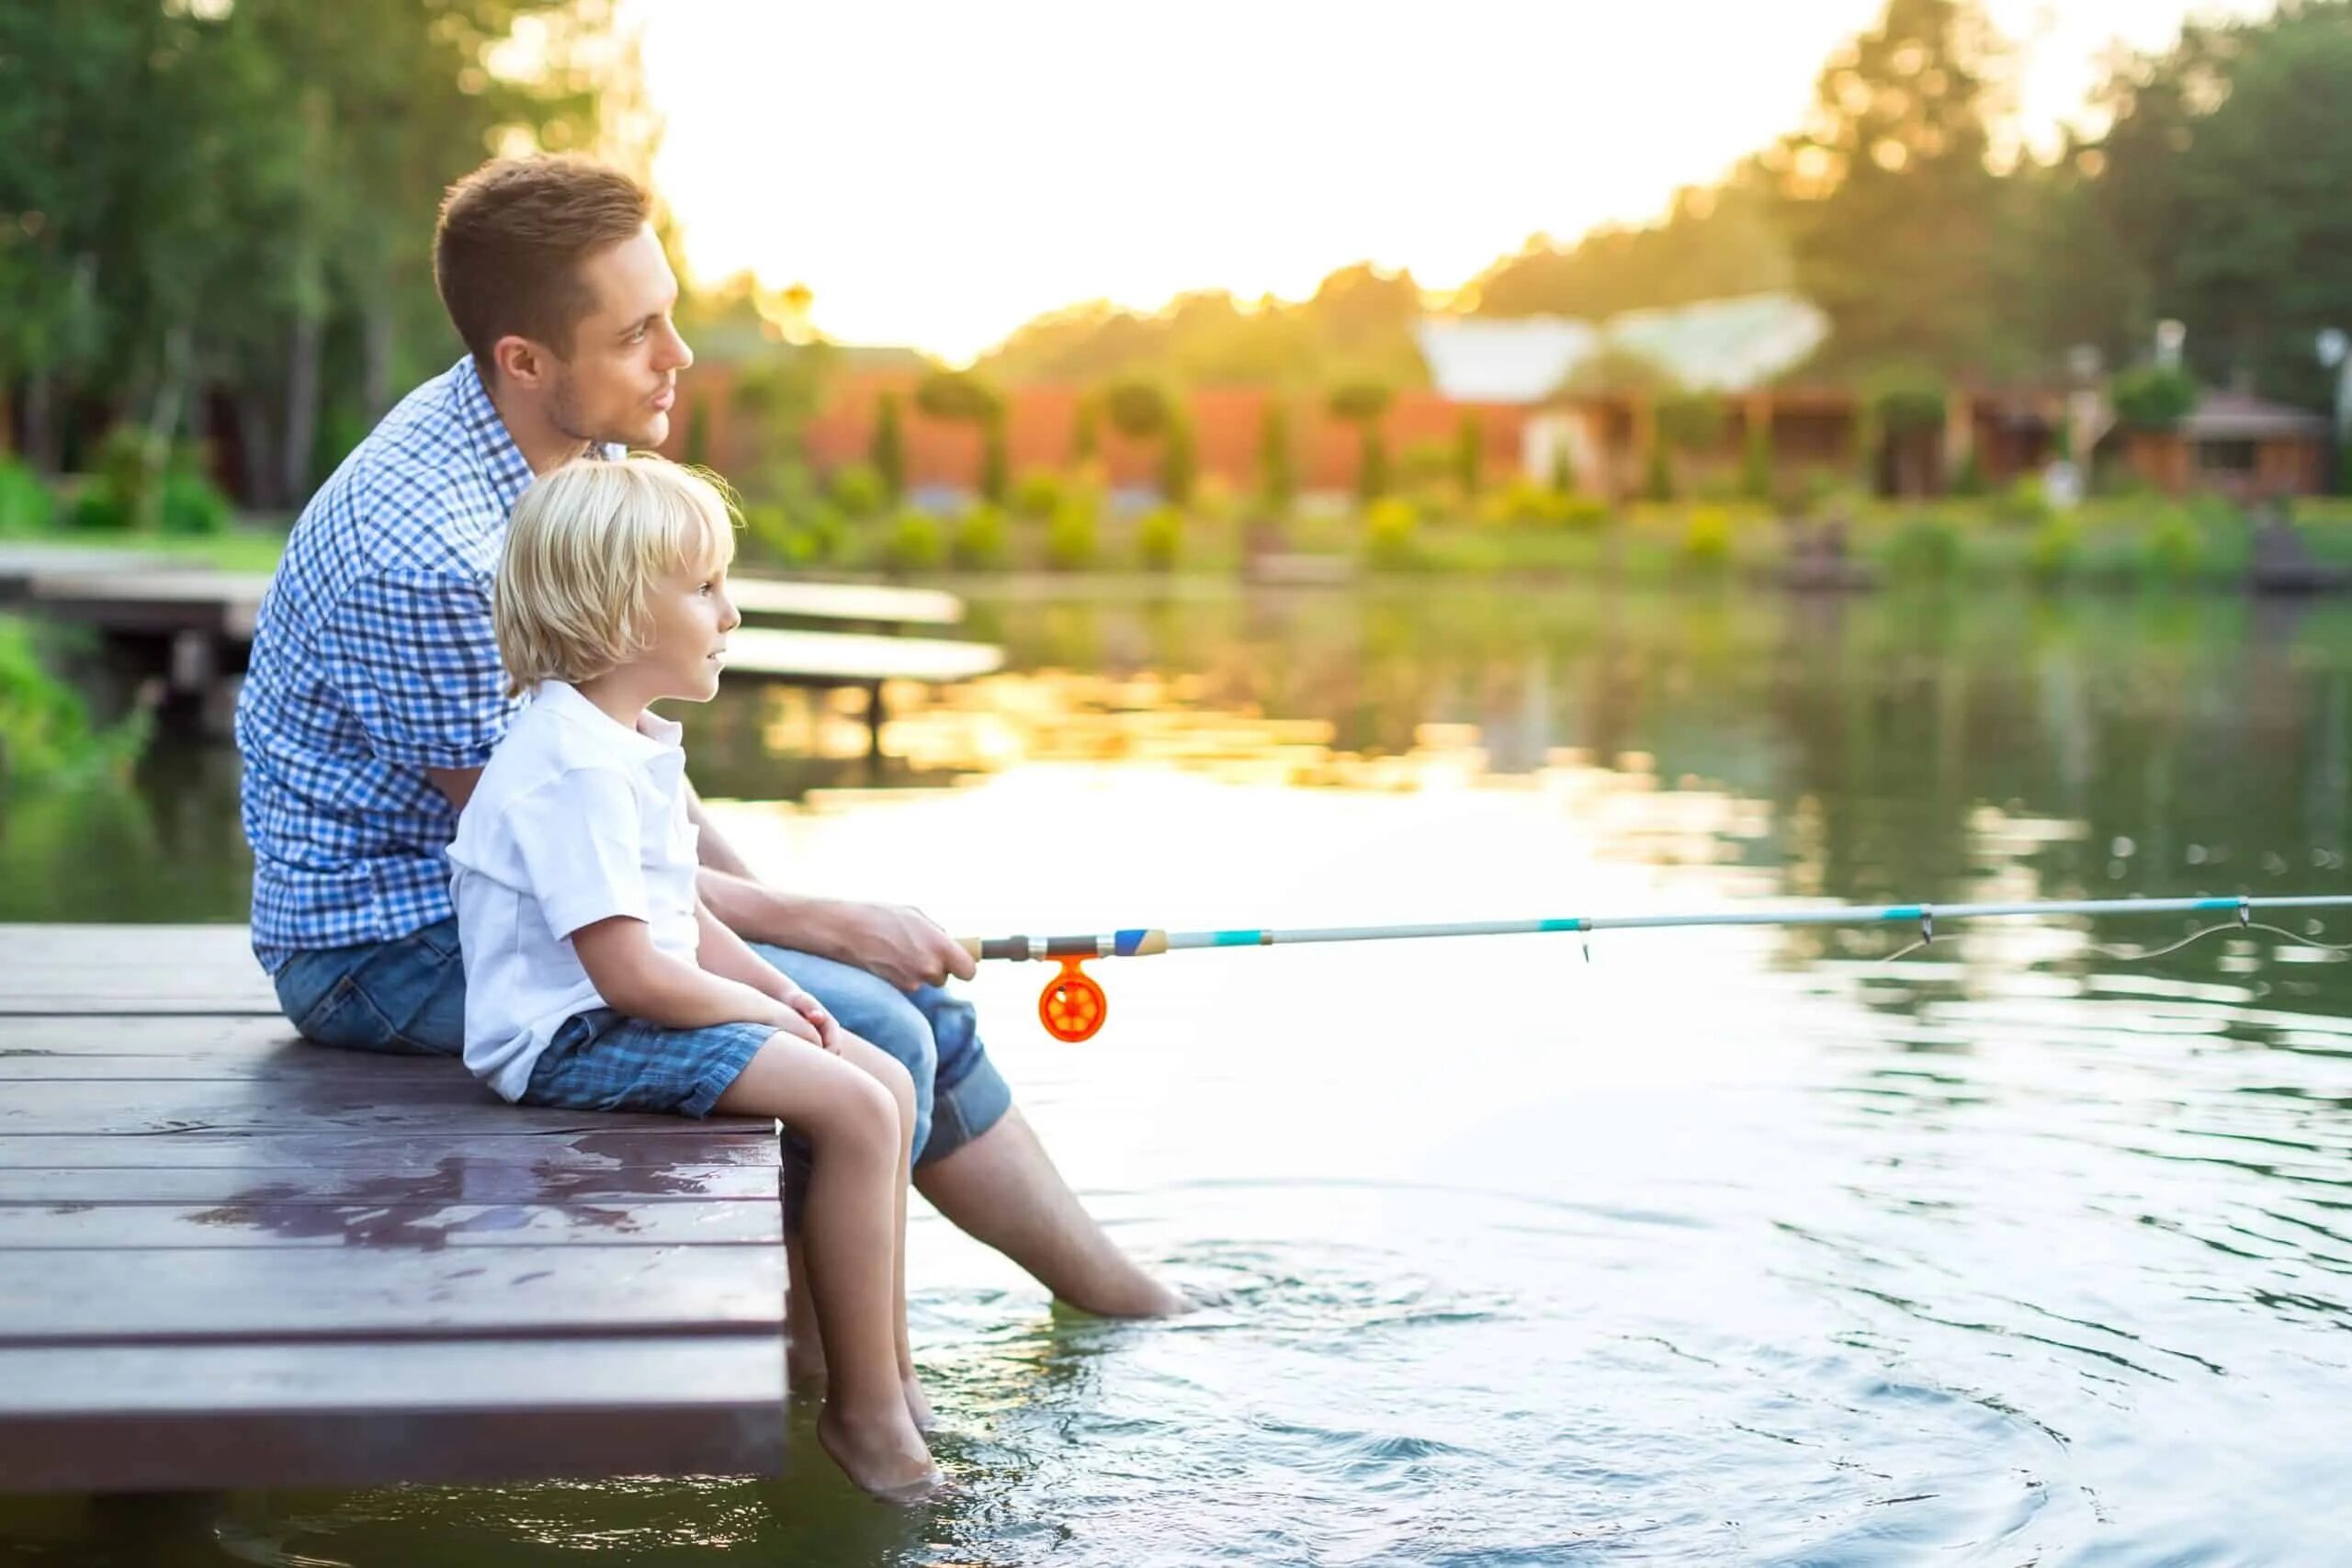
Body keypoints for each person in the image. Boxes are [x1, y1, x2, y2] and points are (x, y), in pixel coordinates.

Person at [233, 153, 1183, 1383]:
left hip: (547, 886)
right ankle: (817, 1387)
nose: (679, 354)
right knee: (870, 1018)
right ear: (525, 357)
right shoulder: (430, 558)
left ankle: (1107, 1295)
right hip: (390, 940)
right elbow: (552, 855)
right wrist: (813, 926)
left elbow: (627, 777)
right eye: (638, 333)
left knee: (908, 1006)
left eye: (667, 312)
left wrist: (805, 919)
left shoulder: (582, 449)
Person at [448, 456, 934, 1497]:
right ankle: (866, 1418)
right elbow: (629, 973)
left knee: (883, 1080)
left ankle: (875, 1369)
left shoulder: (621, 743)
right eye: (705, 588)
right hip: (568, 1036)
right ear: (619, 613)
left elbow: (688, 913)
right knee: (852, 1111)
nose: (732, 610)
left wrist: (785, 992)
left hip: (632, 1003)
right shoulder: (570, 765)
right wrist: (762, 1009)